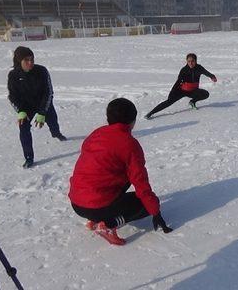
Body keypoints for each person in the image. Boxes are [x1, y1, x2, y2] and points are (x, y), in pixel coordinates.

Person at [69, 98, 172, 245]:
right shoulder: (129, 144)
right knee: (145, 204)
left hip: (76, 202)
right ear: (133, 121)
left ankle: (96, 217)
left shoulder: (96, 134)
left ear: (108, 118)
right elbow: (140, 181)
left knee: (110, 176)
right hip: (97, 204)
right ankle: (108, 224)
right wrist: (155, 211)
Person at [7, 46, 67, 169]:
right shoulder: (13, 75)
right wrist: (20, 111)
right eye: (26, 60)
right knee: (23, 127)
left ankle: (56, 133)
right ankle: (29, 158)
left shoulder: (41, 70)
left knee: (52, 120)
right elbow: (12, 96)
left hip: (43, 103)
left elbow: (49, 92)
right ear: (19, 61)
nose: (30, 63)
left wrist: (42, 112)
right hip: (26, 107)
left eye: (32, 59)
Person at [145, 53, 217, 119]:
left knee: (206, 94)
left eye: (192, 61)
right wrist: (172, 92)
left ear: (196, 61)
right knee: (168, 102)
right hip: (181, 91)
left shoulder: (199, 68)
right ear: (186, 61)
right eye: (189, 61)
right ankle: (151, 113)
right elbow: (178, 82)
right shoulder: (184, 70)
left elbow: (206, 72)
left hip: (193, 91)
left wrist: (212, 76)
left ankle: (192, 102)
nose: (191, 63)